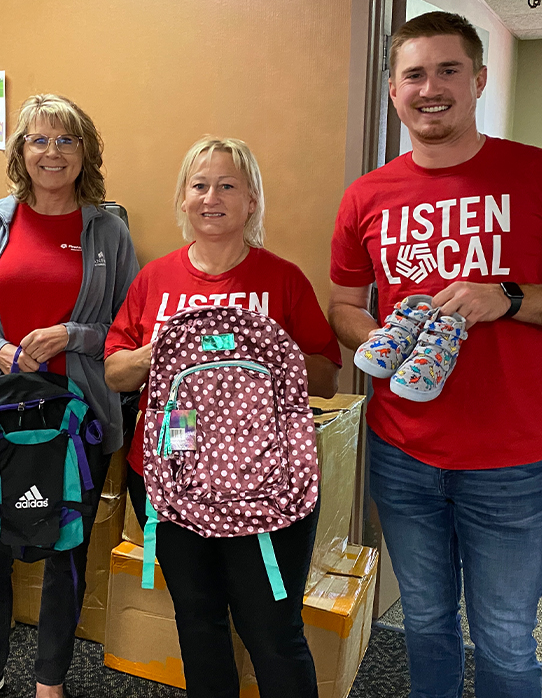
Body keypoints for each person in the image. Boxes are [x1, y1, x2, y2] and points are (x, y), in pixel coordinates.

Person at [328, 11, 542, 698]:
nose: (430, 88)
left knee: (504, 636)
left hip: (508, 461)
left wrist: (513, 297)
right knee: (426, 622)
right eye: (414, 75)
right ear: (394, 91)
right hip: (402, 453)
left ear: (478, 80)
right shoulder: (367, 195)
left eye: (448, 70)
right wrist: (371, 338)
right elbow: (343, 304)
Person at [104, 136, 341, 698]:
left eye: (228, 185)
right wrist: (158, 352)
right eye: (200, 185)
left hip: (267, 483)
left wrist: (262, 348)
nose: (213, 197)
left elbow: (329, 377)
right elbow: (115, 373)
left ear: (252, 200)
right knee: (198, 620)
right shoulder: (154, 279)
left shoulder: (281, 280)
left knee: (273, 629)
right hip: (171, 477)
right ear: (184, 200)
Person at [0, 94, 138, 698]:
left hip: (78, 420)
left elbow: (133, 329)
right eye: (39, 140)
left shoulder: (108, 229)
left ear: (86, 153)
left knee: (66, 552)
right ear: (20, 152)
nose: (52, 153)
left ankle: (49, 680)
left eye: (66, 141)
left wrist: (72, 334)